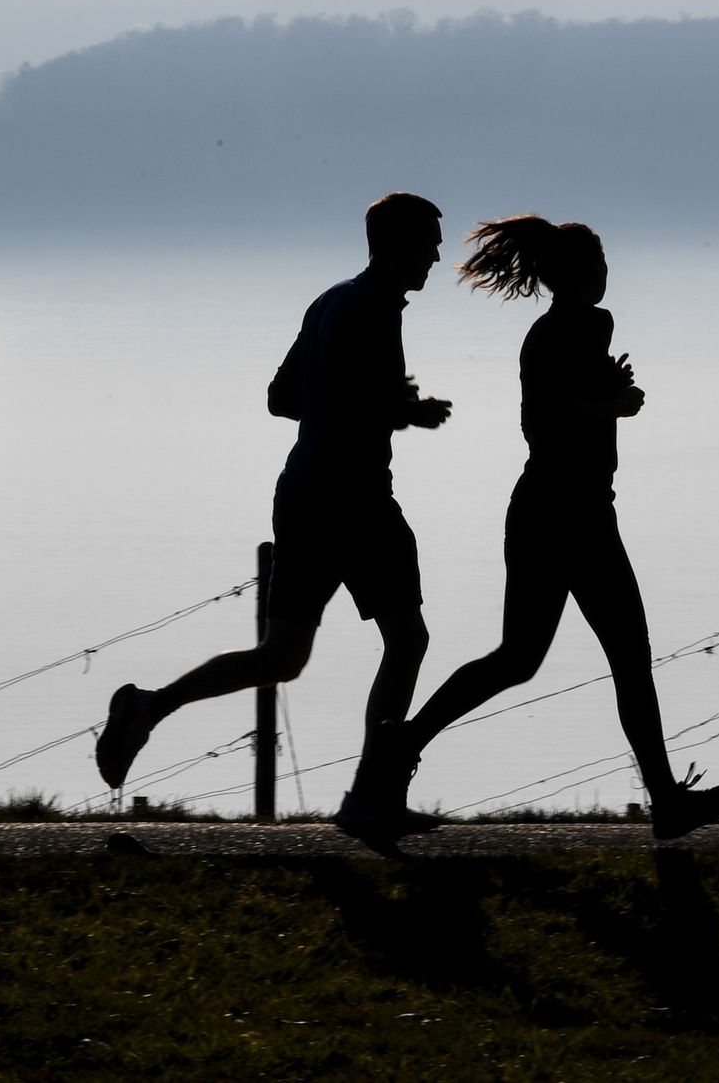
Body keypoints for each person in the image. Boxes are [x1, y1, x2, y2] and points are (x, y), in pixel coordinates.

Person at [96, 192, 454, 847]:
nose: (437, 252)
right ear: (396, 242)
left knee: (282, 656)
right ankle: (371, 795)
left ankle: (149, 706)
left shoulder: (329, 301)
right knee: (407, 640)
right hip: (356, 499)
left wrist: (377, 403)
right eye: (429, 240)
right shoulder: (372, 307)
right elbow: (347, 403)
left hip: (301, 495)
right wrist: (405, 410)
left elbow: (281, 397)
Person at [390, 214, 719, 840]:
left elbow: (571, 401)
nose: (608, 277)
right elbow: (546, 426)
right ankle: (665, 804)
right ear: (584, 272)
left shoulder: (574, 331)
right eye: (602, 266)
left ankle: (407, 740)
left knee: (520, 658)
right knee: (613, 656)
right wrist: (613, 403)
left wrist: (607, 389)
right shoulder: (564, 332)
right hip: (567, 513)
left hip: (555, 511)